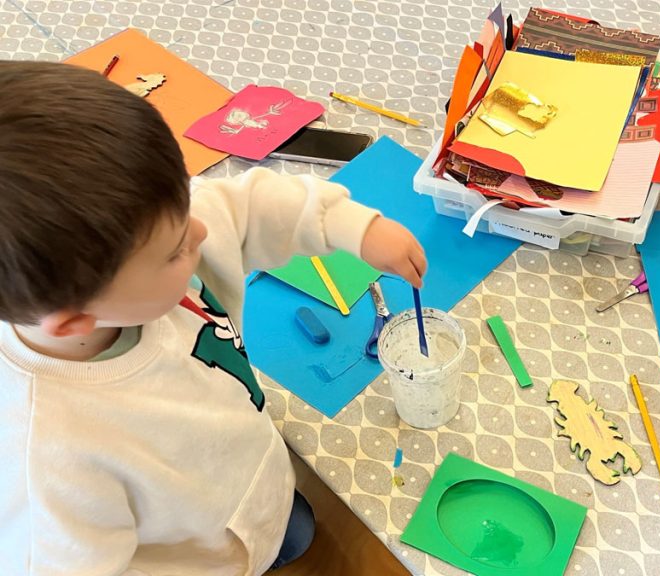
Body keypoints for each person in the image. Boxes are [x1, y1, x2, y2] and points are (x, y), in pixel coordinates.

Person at [0, 61, 426, 574]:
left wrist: (353, 228)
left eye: (184, 201)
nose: (201, 233)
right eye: (177, 249)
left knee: (293, 531)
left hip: (257, 476)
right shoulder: (51, 460)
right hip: (206, 554)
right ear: (73, 321)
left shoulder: (141, 248)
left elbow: (246, 205)